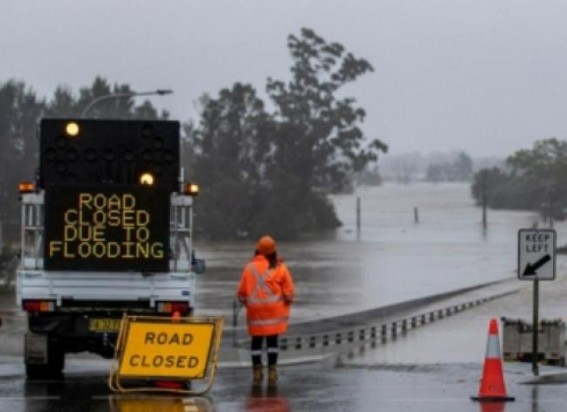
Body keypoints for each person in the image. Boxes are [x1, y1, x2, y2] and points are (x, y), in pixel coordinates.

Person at [236, 235, 295, 386]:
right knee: (272, 342)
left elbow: (241, 294)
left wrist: (250, 304)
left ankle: (257, 372)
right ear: (273, 251)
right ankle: (272, 372)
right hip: (275, 313)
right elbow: (289, 293)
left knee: (256, 341)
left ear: (258, 250)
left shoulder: (249, 268)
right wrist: (285, 303)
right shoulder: (280, 268)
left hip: (255, 312)